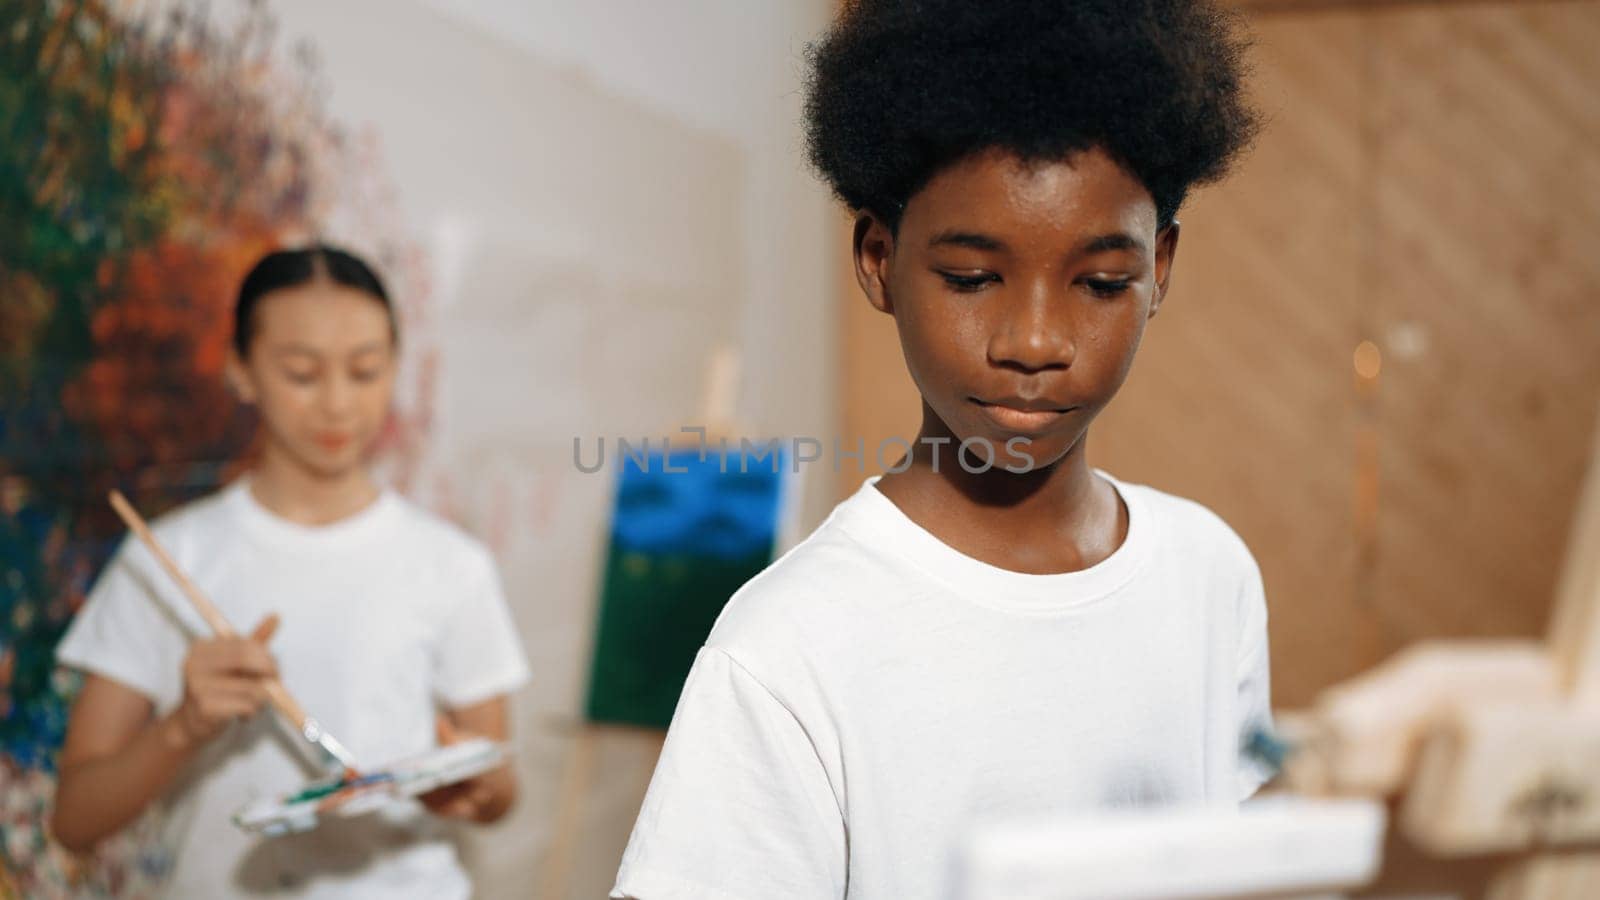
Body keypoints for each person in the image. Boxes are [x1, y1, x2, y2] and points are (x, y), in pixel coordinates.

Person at [613, 2, 1270, 897]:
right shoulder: (785, 651)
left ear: (1161, 269)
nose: (1034, 340)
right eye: (971, 277)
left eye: (1102, 282)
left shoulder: (1209, 574)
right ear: (880, 260)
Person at [51, 245, 531, 898]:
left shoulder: (451, 565)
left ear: (395, 368)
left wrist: (467, 785)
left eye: (365, 371)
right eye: (302, 373)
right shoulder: (170, 559)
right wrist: (184, 727)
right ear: (241, 372)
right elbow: (75, 818)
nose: (338, 404)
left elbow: (501, 790)